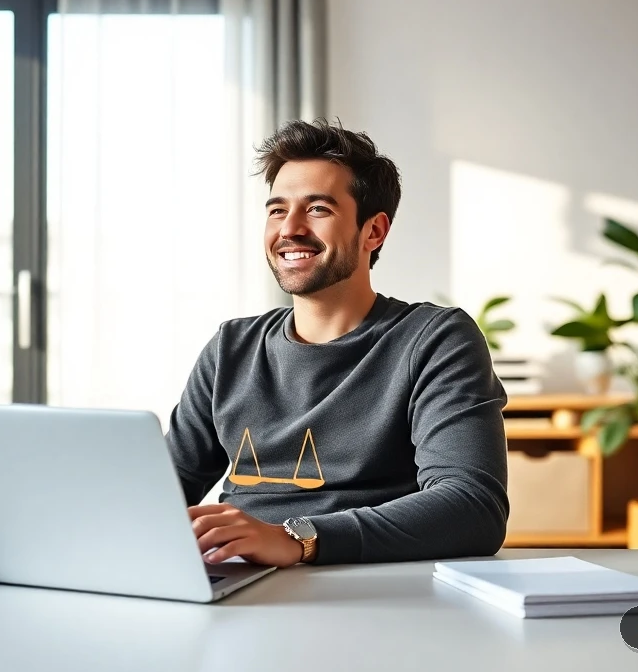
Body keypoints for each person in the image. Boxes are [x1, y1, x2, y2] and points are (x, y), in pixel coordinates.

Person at [166, 118, 509, 567]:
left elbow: (473, 507)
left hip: (362, 585)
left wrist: (296, 539)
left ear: (374, 231)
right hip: (236, 580)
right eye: (277, 209)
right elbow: (160, 492)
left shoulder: (433, 340)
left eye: (318, 209)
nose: (289, 229)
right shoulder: (231, 347)